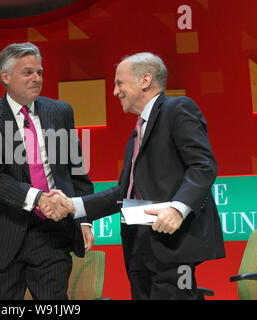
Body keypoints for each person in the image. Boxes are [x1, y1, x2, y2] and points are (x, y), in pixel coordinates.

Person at [43, 52, 226, 300]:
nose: (115, 92)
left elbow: (203, 166)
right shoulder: (138, 129)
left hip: (175, 245)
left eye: (120, 83)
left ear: (145, 80)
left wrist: (177, 209)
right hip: (139, 244)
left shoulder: (178, 109)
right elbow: (124, 192)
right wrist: (74, 206)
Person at [0, 42, 94, 300]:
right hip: (5, 232)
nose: (36, 78)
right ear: (6, 76)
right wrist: (37, 197)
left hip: (52, 232)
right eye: (28, 72)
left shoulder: (60, 111)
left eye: (39, 72)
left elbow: (77, 170)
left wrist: (84, 218)